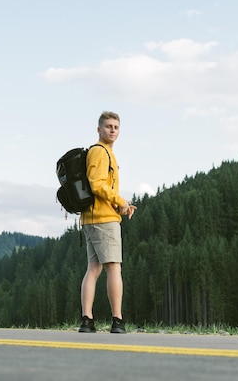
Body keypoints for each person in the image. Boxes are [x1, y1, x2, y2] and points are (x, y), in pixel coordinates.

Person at [79, 111, 136, 334]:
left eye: (116, 127)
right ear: (99, 129)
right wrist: (120, 201)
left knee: (93, 268)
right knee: (114, 267)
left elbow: (99, 187)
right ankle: (117, 320)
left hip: (93, 217)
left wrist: (119, 205)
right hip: (103, 219)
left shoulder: (103, 153)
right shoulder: (101, 152)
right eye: (108, 126)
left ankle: (87, 320)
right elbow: (97, 185)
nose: (112, 130)